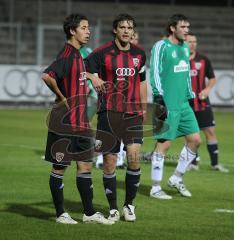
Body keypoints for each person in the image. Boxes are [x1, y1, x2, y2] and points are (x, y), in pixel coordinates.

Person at [42, 13, 113, 225]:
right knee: (60, 168)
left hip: (80, 123)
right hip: (64, 123)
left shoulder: (78, 56)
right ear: (72, 31)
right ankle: (61, 214)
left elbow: (79, 75)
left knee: (85, 167)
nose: (88, 31)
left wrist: (91, 76)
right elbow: (47, 75)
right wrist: (62, 97)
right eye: (84, 28)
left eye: (88, 27)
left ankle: (89, 213)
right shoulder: (66, 56)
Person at [85, 13, 147, 222]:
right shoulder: (102, 52)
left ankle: (129, 205)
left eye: (130, 27)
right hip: (109, 113)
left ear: (133, 31)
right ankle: (113, 208)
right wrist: (93, 76)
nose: (126, 31)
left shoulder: (140, 54)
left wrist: (144, 106)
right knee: (110, 162)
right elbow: (83, 68)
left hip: (133, 113)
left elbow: (143, 81)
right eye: (122, 27)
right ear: (115, 30)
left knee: (134, 158)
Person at [149, 14, 201, 200]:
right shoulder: (161, 46)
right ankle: (155, 188)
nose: (187, 30)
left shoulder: (185, 47)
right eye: (183, 27)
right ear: (172, 28)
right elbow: (154, 71)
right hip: (166, 104)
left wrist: (190, 94)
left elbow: (186, 74)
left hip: (183, 104)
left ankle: (176, 178)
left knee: (195, 140)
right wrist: (158, 97)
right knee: (164, 145)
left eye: (188, 27)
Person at [185, 33, 229, 173]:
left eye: (195, 41)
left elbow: (212, 78)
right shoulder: (179, 60)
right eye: (189, 41)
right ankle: (193, 163)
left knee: (210, 131)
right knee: (191, 134)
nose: (193, 44)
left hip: (202, 103)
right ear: (184, 43)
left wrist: (207, 89)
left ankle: (215, 164)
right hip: (186, 104)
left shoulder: (203, 60)